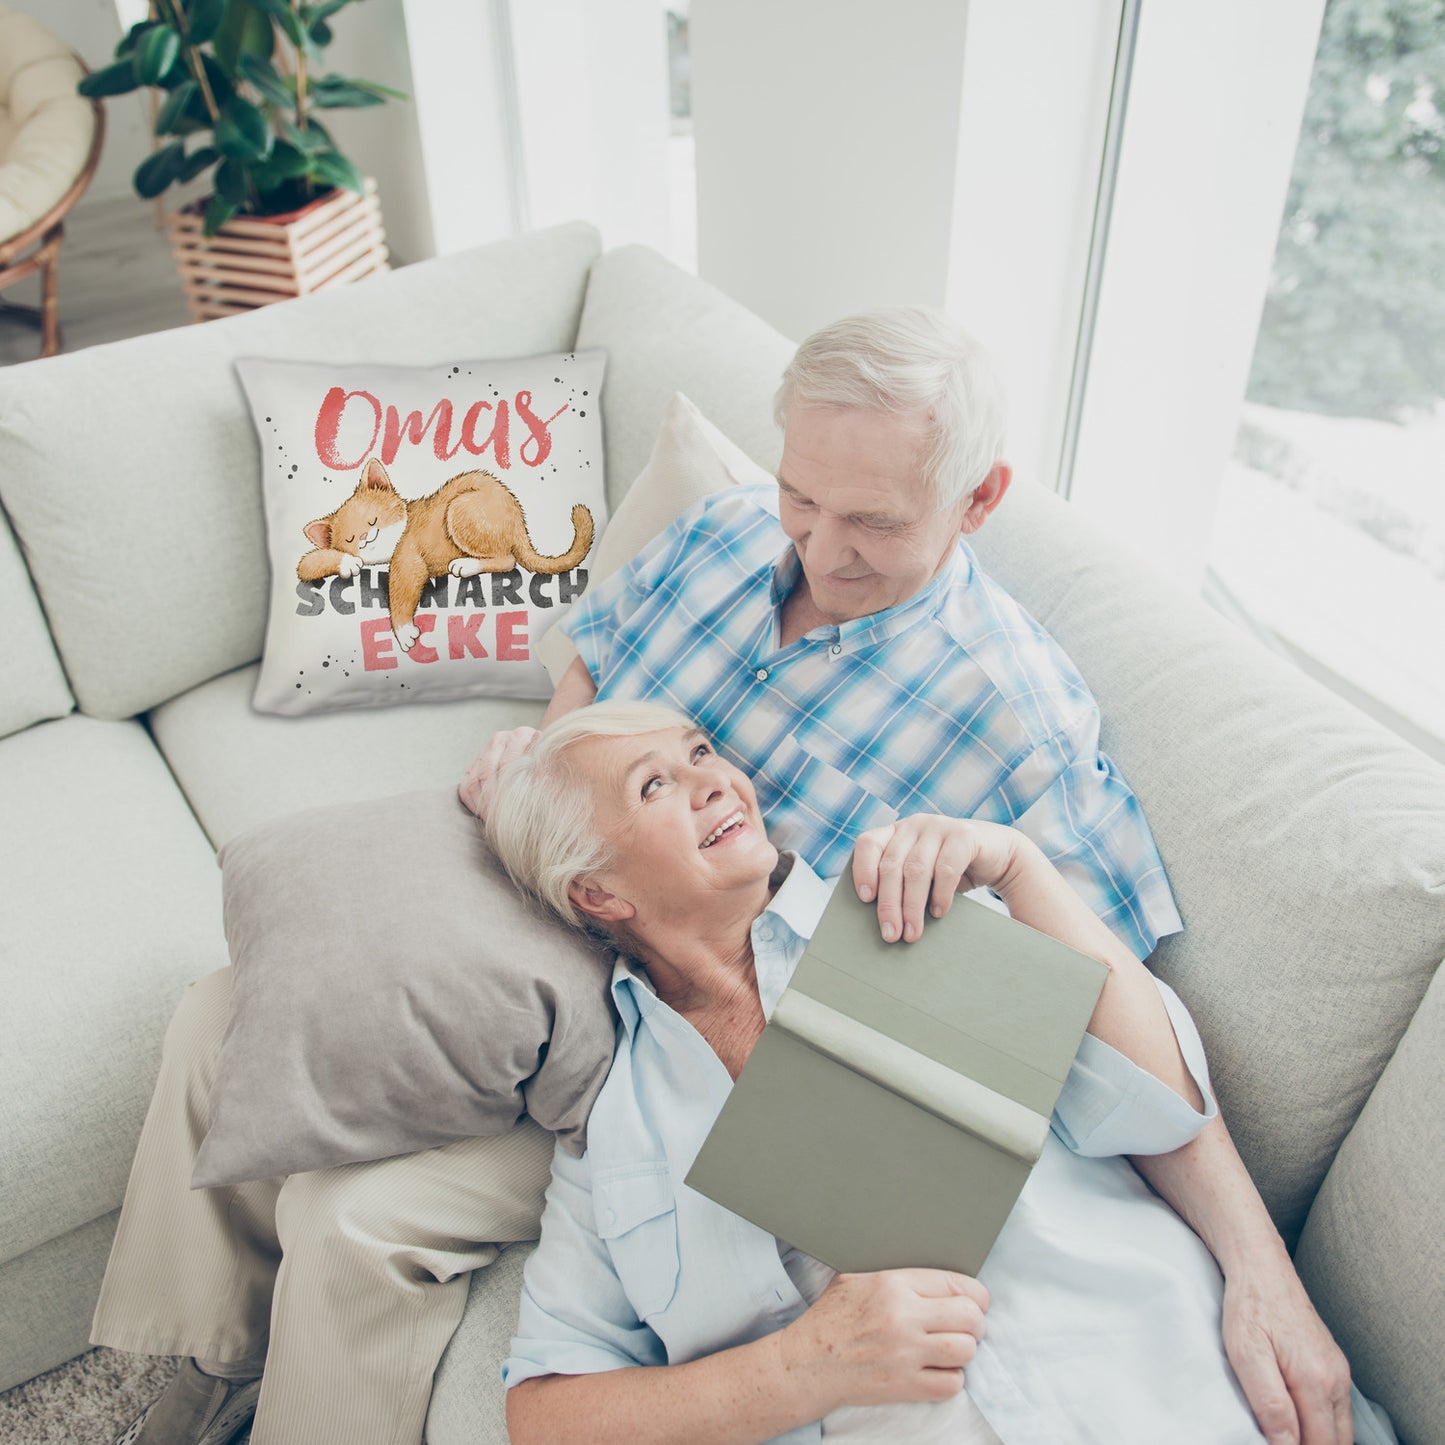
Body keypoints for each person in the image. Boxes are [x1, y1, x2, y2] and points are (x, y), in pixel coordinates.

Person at [94, 309, 1349, 1445]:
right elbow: (595, 664)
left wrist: (1259, 1266)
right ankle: (193, 1362)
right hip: (580, 887)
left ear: (976, 501)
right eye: (804, 495)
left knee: (355, 1219)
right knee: (229, 1008)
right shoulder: (725, 532)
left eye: (871, 520)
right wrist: (546, 763)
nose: (819, 545)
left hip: (692, 1012)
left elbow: (1102, 1019)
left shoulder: (1017, 725)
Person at [486, 700, 1381, 1445]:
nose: (715, 779)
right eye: (655, 784)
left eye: (700, 752)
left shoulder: (908, 907)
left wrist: (1021, 869)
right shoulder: (615, 1132)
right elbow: (545, 1413)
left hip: (1173, 1391)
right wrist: (802, 1367)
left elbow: (1158, 1105)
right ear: (597, 893)